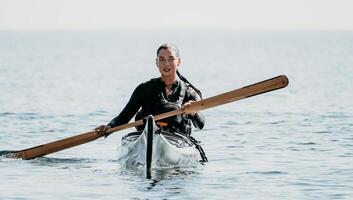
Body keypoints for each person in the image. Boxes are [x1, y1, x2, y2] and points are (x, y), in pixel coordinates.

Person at [94, 43, 205, 138]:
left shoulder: (189, 91)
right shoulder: (144, 89)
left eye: (171, 59)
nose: (166, 64)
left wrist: (194, 113)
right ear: (156, 62)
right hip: (147, 136)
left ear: (179, 62)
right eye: (162, 59)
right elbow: (124, 117)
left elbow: (200, 124)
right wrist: (109, 127)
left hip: (177, 139)